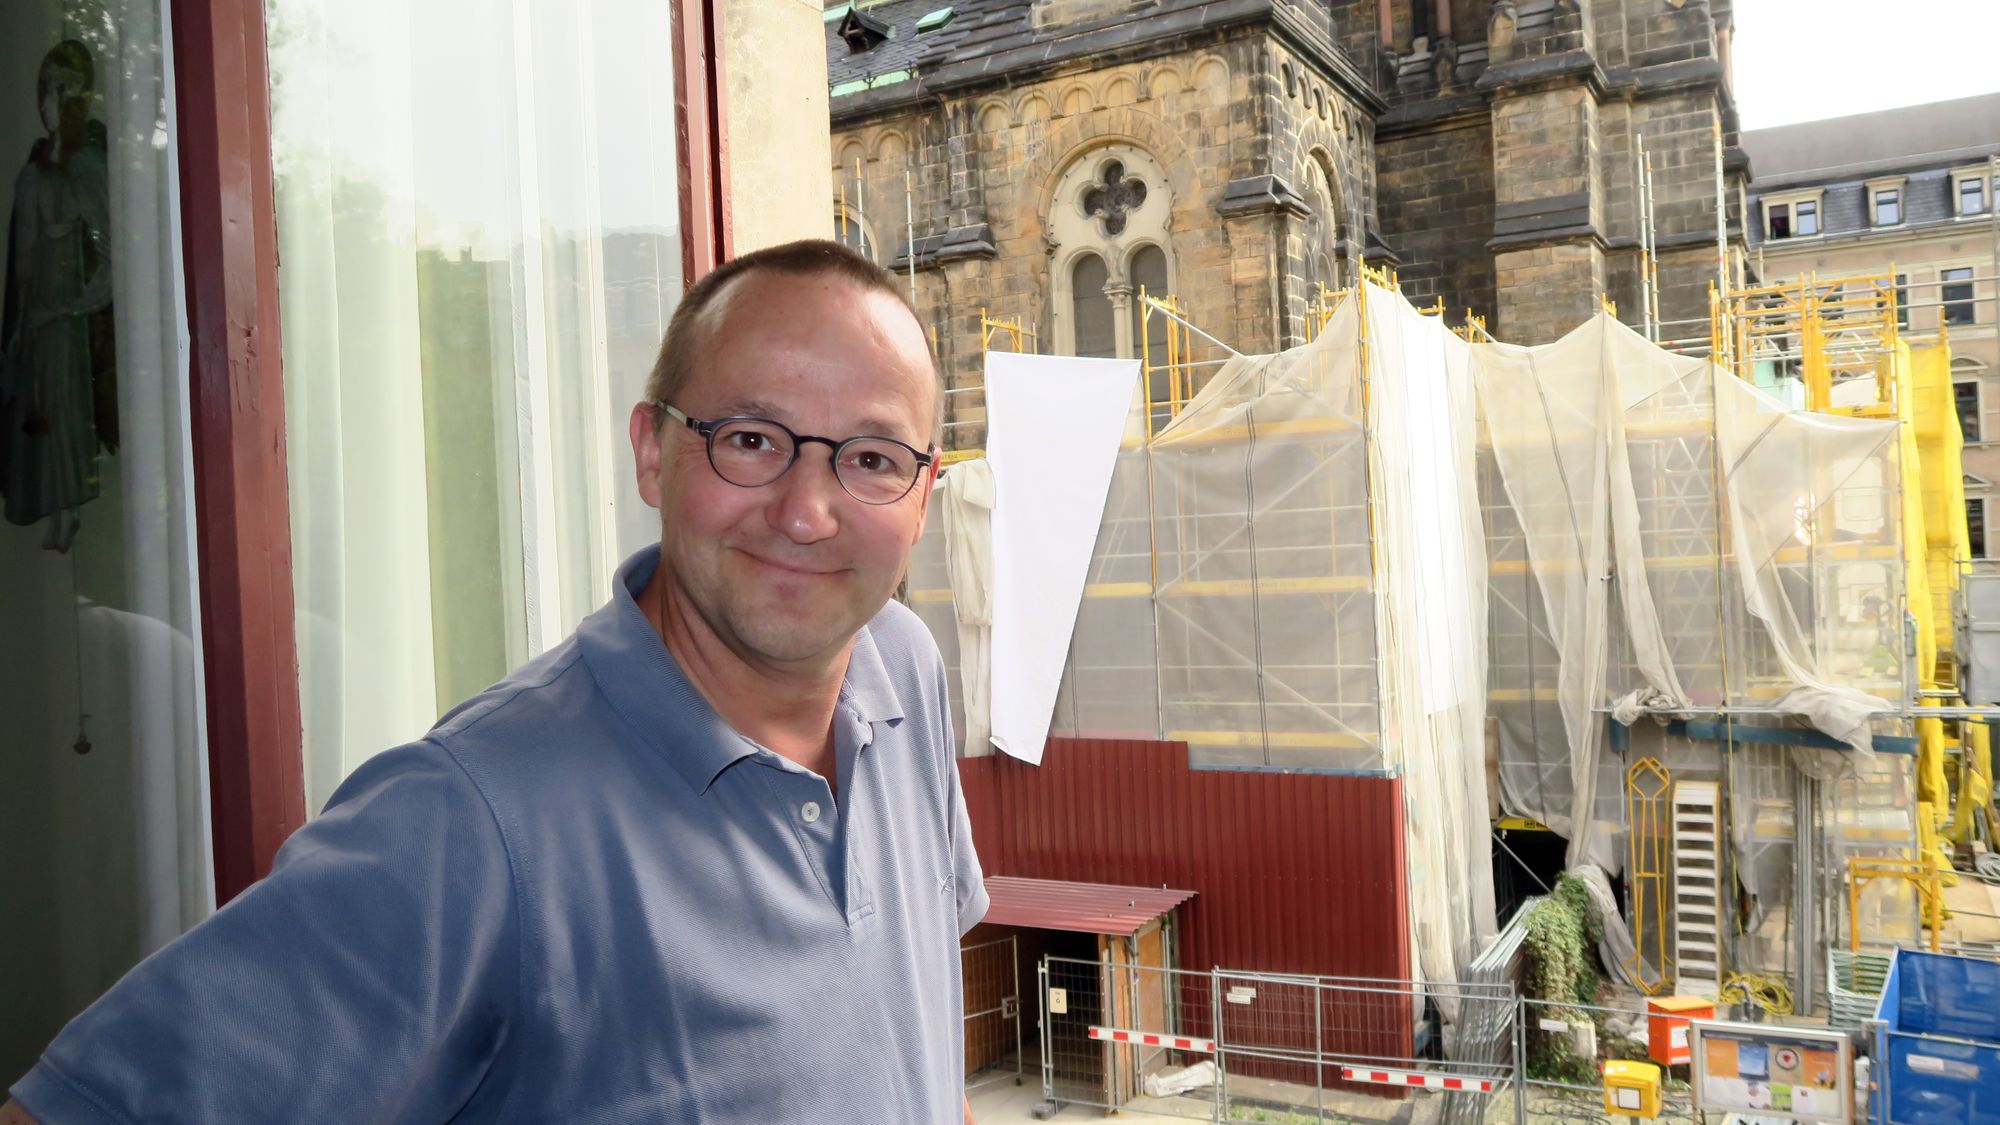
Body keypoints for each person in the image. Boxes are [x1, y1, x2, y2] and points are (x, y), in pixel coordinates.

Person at [3, 239, 989, 1123]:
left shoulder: (901, 664)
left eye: (869, 458)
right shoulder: (469, 820)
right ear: (653, 451)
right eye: (751, 440)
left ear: (921, 498)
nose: (807, 511)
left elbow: (902, 1033)